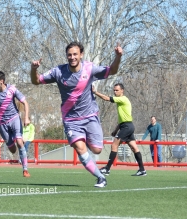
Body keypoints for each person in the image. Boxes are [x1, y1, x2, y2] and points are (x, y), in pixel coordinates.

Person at [30, 41, 123, 188]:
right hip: (71, 120)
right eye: (69, 55)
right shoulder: (58, 72)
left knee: (97, 149)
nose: (72, 57)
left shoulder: (89, 68)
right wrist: (33, 69)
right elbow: (36, 81)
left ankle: (85, 139)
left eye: (75, 54)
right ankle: (100, 177)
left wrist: (118, 57)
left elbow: (112, 70)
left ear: (81, 55)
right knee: (80, 148)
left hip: (90, 116)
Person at [92, 83, 147, 176]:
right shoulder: (120, 101)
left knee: (114, 145)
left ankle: (107, 169)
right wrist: (116, 130)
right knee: (134, 147)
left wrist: (95, 92)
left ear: (122, 91)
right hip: (127, 126)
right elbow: (123, 119)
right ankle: (142, 170)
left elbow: (106, 98)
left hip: (127, 127)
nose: (115, 92)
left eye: (117, 90)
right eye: (114, 90)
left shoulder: (123, 99)